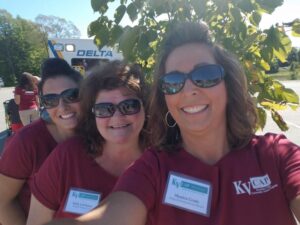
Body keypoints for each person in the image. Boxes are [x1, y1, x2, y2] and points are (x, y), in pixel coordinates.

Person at [45, 22, 300, 225]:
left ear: (229, 84)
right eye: (174, 81)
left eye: (205, 75)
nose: (189, 89)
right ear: (164, 97)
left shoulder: (275, 155)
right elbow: (109, 216)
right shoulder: (152, 169)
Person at [25, 61, 148, 224]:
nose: (117, 117)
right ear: (93, 114)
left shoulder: (160, 160)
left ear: (145, 108)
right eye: (104, 109)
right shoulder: (67, 158)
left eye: (129, 105)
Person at [0, 58, 82, 225]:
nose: (62, 106)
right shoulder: (27, 142)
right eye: (51, 100)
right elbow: (2, 200)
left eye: (72, 95)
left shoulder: (101, 132)